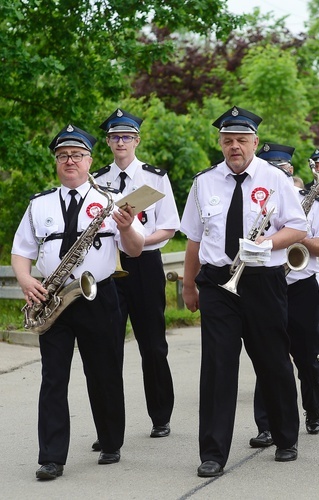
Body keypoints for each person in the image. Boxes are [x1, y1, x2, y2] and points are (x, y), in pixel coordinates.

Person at [12, 124, 145, 479]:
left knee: (103, 373)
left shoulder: (112, 200)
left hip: (97, 295)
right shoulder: (39, 204)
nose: (70, 161)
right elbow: (21, 252)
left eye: (77, 155)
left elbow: (134, 249)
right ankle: (51, 457)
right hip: (52, 299)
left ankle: (111, 440)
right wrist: (27, 281)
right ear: (57, 162)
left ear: (90, 159)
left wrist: (129, 226)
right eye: (63, 155)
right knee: (53, 378)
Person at [180, 106, 307, 477]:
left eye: (241, 140)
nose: (234, 146)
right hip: (218, 282)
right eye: (227, 140)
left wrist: (268, 242)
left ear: (254, 141)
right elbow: (194, 238)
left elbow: (297, 227)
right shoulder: (204, 182)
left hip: (262, 279)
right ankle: (213, 452)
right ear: (220, 143)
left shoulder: (275, 178)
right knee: (218, 366)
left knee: (272, 359)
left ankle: (285, 437)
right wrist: (189, 285)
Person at [91, 108, 180, 445]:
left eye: (126, 136)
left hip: (144, 265)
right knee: (107, 348)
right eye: (115, 137)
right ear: (109, 142)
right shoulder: (97, 180)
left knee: (153, 344)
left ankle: (160, 416)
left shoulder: (155, 177)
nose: (120, 142)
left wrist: (139, 241)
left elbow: (169, 226)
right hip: (108, 267)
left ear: (137, 140)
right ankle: (110, 429)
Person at [249, 142, 319, 446]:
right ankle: (267, 424)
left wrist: (296, 236)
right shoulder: (252, 199)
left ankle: (312, 408)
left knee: (306, 357)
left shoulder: (311, 202)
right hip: (265, 285)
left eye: (283, 171)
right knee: (267, 357)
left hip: (301, 287)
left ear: (290, 172)